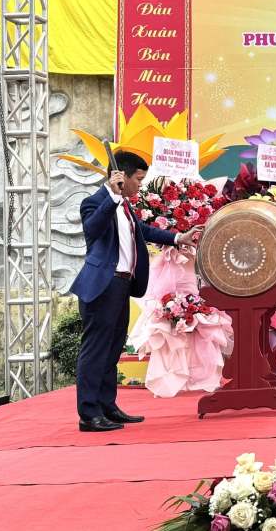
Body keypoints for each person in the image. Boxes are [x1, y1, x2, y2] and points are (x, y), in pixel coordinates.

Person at [70, 151, 201, 432]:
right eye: (139, 180)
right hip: (101, 287)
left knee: (113, 348)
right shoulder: (94, 203)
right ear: (122, 177)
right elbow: (93, 230)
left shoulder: (126, 208)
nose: (141, 186)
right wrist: (112, 195)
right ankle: (89, 414)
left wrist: (178, 237)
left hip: (121, 286)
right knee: (95, 350)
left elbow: (142, 230)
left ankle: (107, 407)